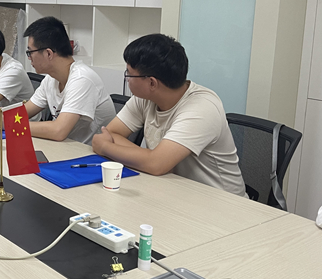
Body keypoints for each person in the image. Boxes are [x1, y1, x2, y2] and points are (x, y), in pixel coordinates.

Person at [92, 34, 246, 196]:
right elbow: (112, 133)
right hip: (173, 191)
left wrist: (105, 147)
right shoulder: (144, 98)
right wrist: (149, 158)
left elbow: (156, 165)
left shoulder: (202, 107)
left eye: (129, 74)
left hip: (222, 201)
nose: (127, 79)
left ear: (152, 83)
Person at [23, 17, 116, 143]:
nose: (29, 58)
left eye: (30, 52)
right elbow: (23, 113)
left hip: (89, 152)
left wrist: (12, 125)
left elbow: (58, 131)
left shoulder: (82, 79)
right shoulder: (50, 79)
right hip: (64, 148)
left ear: (48, 53)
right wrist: (2, 118)